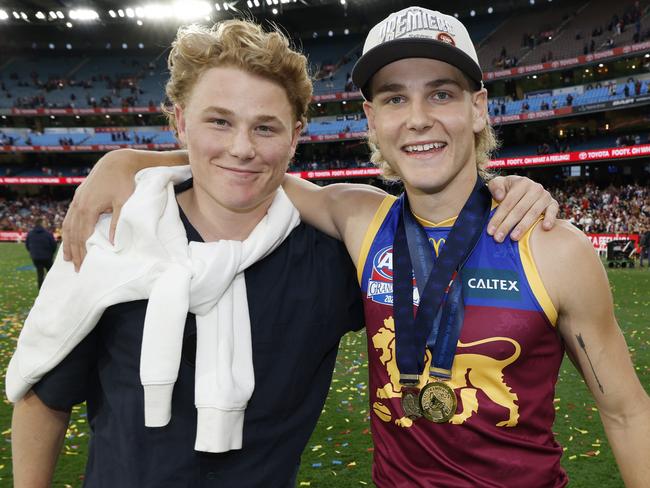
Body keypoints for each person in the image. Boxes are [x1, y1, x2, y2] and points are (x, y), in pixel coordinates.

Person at [20, 14, 565, 488]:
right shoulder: (112, 237)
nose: (241, 147)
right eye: (218, 122)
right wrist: (124, 160)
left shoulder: (332, 255)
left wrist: (506, 189)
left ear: (296, 134)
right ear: (181, 122)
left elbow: (438, 243)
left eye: (265, 128)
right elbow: (45, 398)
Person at [24, 219, 57, 289]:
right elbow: (54, 245)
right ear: (41, 224)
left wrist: (32, 253)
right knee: (51, 272)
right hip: (47, 257)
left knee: (40, 274)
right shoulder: (48, 234)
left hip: (36, 257)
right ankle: (53, 287)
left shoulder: (30, 233)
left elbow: (27, 245)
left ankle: (41, 290)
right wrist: (51, 254)